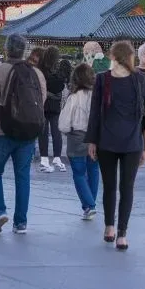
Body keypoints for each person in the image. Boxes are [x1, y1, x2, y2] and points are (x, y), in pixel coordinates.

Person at [86, 41, 145, 250]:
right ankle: (117, 231)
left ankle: (114, 228)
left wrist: (92, 141)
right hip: (122, 141)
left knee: (114, 186)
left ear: (113, 57)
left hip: (118, 141)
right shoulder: (105, 80)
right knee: (123, 187)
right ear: (131, 57)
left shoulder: (134, 80)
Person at [0, 34, 46, 235]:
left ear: (6, 49)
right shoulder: (36, 74)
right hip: (28, 132)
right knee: (22, 175)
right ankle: (21, 222)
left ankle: (0, 210)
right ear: (25, 51)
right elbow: (40, 100)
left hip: (1, 130)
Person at [58, 63, 99, 220]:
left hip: (77, 137)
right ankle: (91, 204)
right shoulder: (97, 95)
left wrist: (66, 130)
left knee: (79, 173)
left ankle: (89, 205)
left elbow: (63, 123)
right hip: (95, 137)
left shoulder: (73, 97)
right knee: (94, 171)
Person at [38, 46, 67, 173]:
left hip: (43, 105)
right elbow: (61, 87)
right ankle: (57, 157)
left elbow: (40, 88)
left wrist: (47, 93)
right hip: (55, 106)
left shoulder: (40, 70)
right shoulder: (59, 71)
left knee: (43, 133)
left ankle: (44, 158)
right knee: (56, 132)